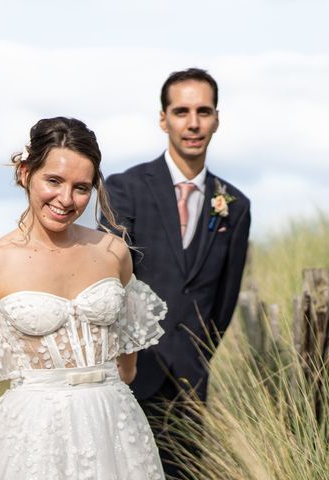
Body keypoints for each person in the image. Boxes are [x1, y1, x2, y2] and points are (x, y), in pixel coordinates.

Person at [0, 117, 167, 479]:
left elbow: (127, 358)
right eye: (53, 181)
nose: (66, 199)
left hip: (114, 428)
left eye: (81, 188)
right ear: (25, 173)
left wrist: (106, 397)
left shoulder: (113, 252)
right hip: (29, 439)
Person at [103, 68, 251, 478]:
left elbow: (223, 302)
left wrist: (195, 354)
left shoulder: (234, 204)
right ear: (163, 118)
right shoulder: (124, 188)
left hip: (189, 381)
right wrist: (123, 361)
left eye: (203, 111)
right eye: (181, 111)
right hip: (127, 375)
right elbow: (108, 283)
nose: (193, 123)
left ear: (216, 119)